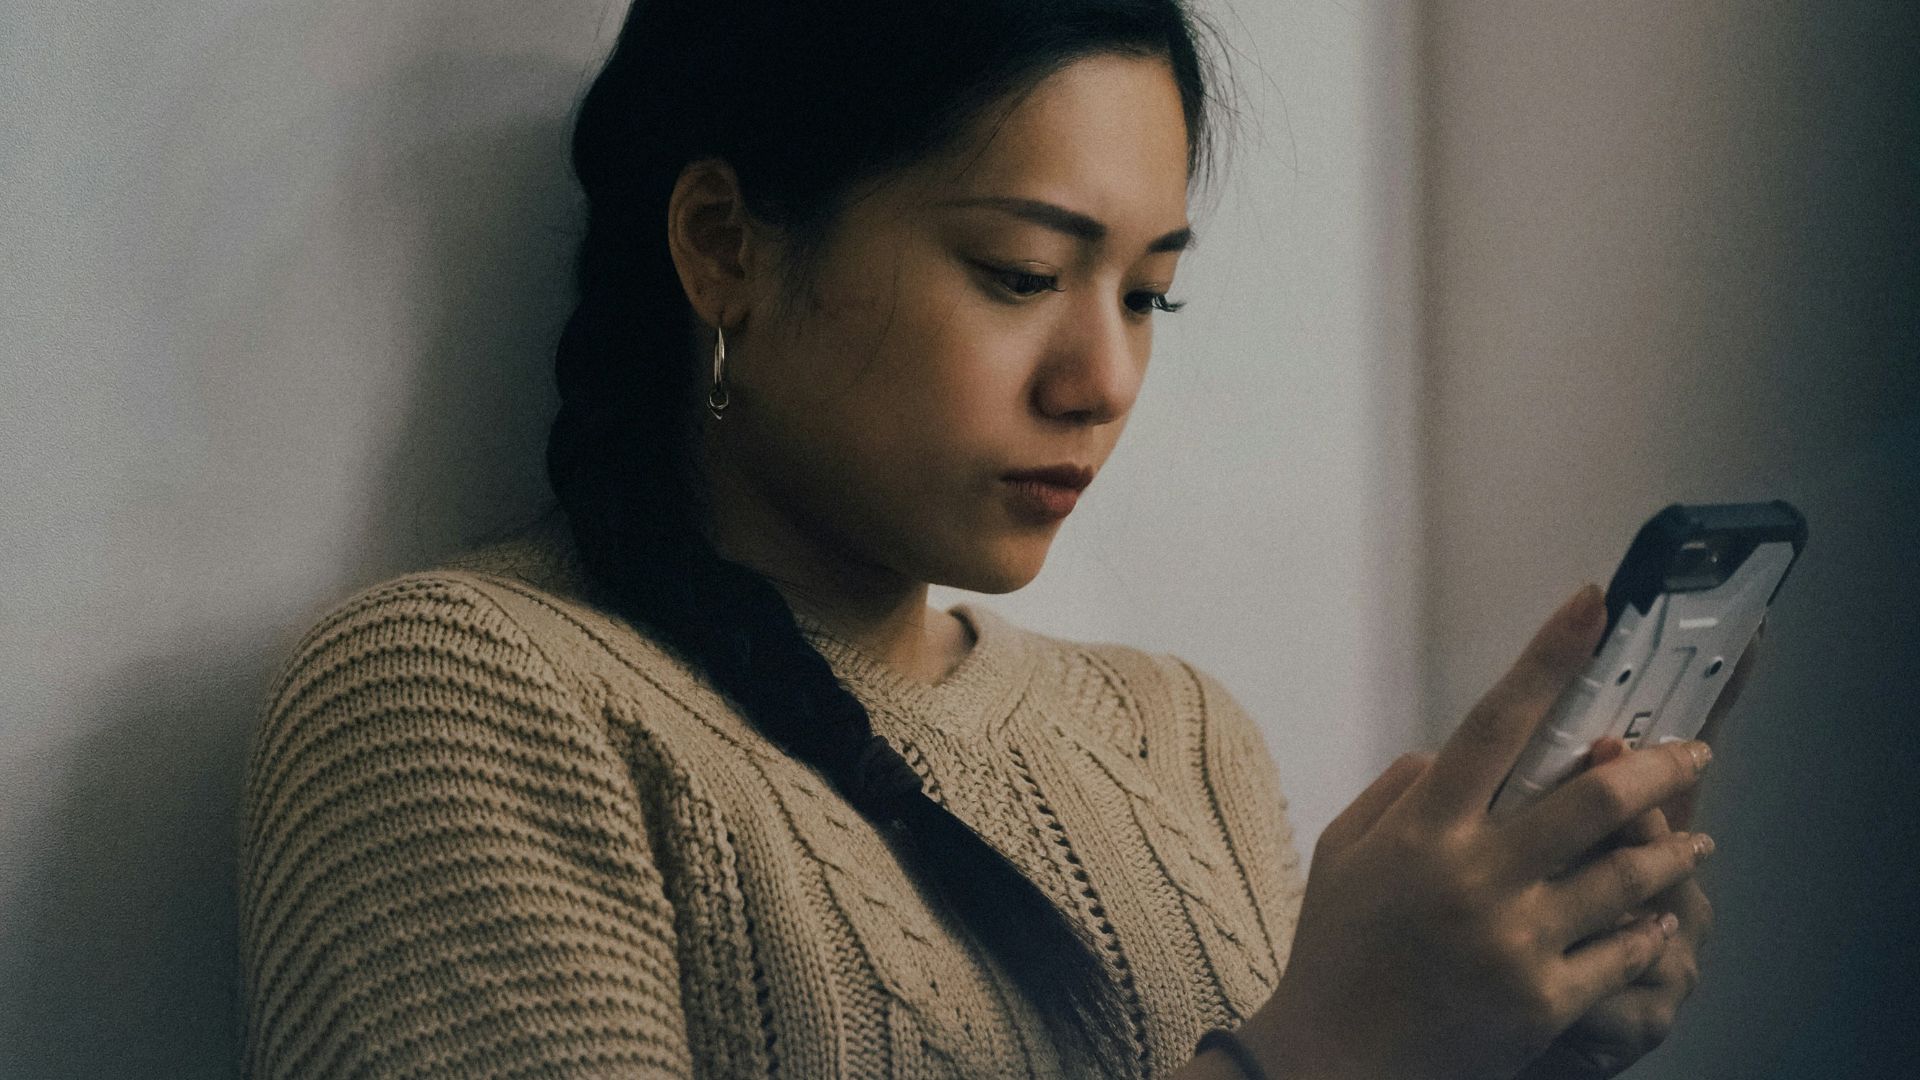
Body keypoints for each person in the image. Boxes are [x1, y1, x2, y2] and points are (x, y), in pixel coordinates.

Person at [237, 1, 1736, 1076]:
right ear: (723, 246)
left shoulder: (1179, 735)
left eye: (1150, 294)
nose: (1106, 381)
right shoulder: (460, 702)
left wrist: (1495, 1042)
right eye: (1022, 273)